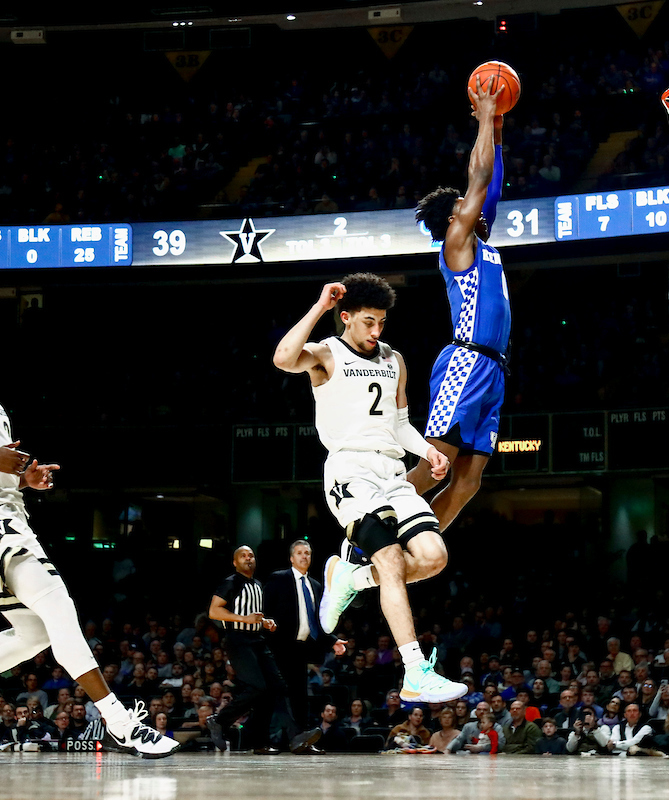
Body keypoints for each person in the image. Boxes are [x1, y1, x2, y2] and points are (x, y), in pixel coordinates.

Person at [0, 331, 176, 758]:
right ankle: (121, 723)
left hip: (3, 512)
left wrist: (21, 477)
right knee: (58, 608)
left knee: (33, 634)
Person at [272, 274, 463, 704]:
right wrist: (319, 305)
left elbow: (399, 425)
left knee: (433, 558)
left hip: (391, 474)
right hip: (350, 471)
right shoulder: (327, 353)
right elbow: (283, 358)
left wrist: (428, 452)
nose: (377, 331)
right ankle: (415, 671)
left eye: (381, 322)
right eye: (368, 322)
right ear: (346, 318)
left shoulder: (394, 359)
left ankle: (351, 576)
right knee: (392, 560)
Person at [406, 81, 511, 533]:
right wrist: (485, 115)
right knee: (437, 465)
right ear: (454, 219)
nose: (478, 209)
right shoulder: (455, 244)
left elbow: (492, 187)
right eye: (467, 207)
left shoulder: (480, 242)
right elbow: (480, 180)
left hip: (494, 368)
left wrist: (499, 130)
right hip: (466, 361)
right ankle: (367, 529)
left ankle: (415, 549)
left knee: (468, 481)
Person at [206, 545, 320, 755]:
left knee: (278, 686)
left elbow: (253, 615)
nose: (248, 558)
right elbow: (214, 611)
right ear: (235, 562)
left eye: (251, 555)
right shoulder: (231, 582)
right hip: (238, 640)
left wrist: (264, 622)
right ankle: (219, 720)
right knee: (258, 687)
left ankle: (296, 736)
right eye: (243, 556)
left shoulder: (258, 584)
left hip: (257, 638)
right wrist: (243, 619)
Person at [263, 539, 347, 731]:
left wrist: (332, 641)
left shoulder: (316, 586)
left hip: (300, 649)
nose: (304, 556)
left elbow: (317, 621)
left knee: (300, 696)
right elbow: (265, 612)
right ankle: (265, 740)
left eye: (307, 553)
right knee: (273, 695)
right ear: (292, 558)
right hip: (278, 648)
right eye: (299, 553)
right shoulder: (278, 578)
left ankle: (301, 739)